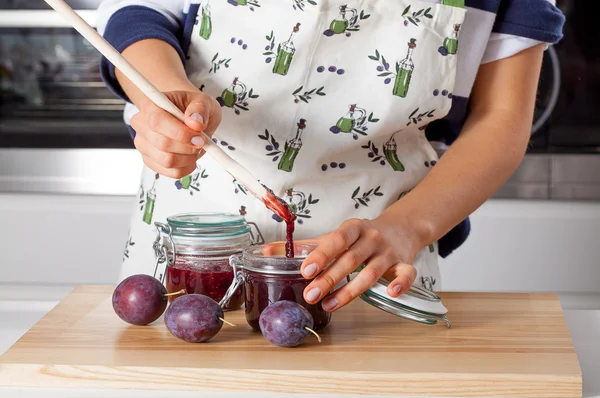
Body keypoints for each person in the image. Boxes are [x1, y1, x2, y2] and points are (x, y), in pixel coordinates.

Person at [98, 0, 564, 313]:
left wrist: (407, 228)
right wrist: (164, 95)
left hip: (375, 266)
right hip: (193, 250)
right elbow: (137, 16)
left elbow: (501, 119)